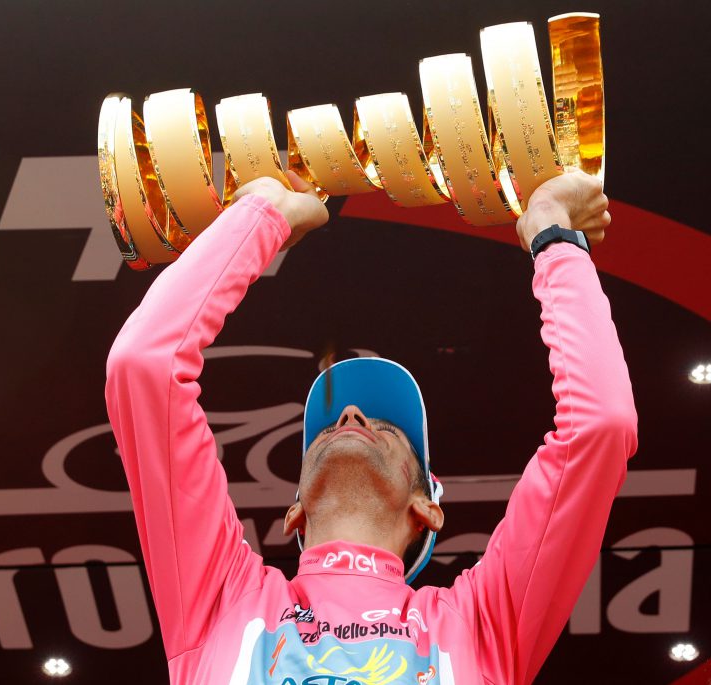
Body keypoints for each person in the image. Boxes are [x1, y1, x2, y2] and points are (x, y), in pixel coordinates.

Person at [105, 167, 637, 685]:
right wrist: (264, 210)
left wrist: (551, 232)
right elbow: (145, 366)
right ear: (294, 509)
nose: (350, 415)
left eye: (386, 424)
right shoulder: (222, 596)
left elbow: (600, 427)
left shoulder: (479, 625)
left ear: (427, 507)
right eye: (331, 427)